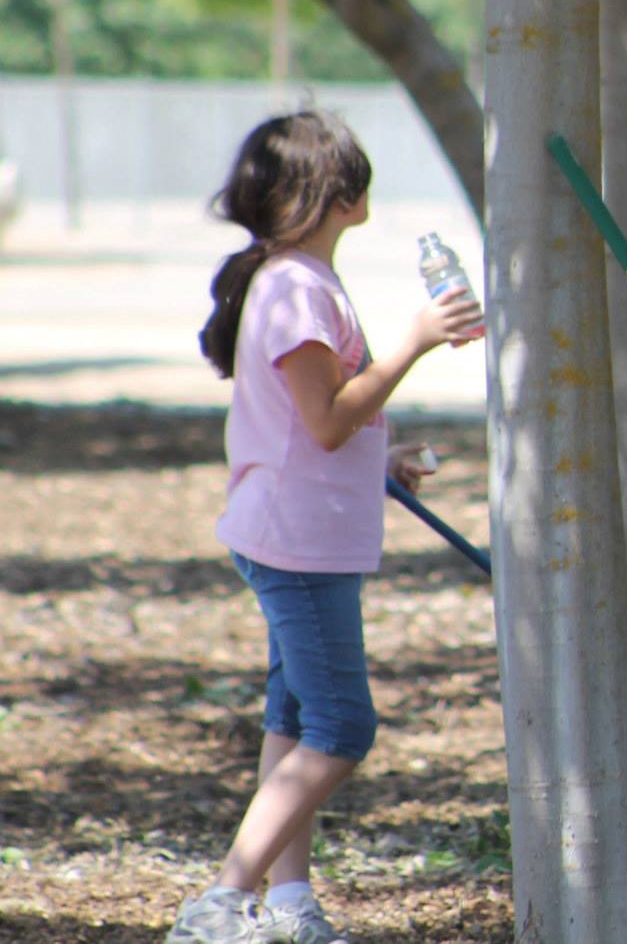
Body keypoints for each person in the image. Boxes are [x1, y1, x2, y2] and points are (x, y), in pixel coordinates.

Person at [170, 110, 483, 944]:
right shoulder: (297, 287)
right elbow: (324, 418)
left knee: (294, 717)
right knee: (344, 727)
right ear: (331, 194)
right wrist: (415, 342)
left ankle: (288, 902)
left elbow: (317, 427)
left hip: (302, 530)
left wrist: (379, 458)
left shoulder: (298, 279)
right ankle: (219, 904)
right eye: (355, 173)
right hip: (297, 547)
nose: (365, 186)